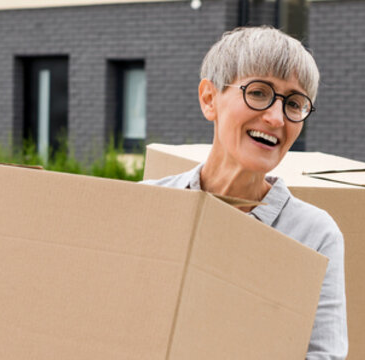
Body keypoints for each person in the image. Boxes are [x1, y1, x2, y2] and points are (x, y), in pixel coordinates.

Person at [141, 27, 347, 360]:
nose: (276, 118)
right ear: (210, 99)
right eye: (259, 92)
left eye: (294, 103)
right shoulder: (148, 205)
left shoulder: (315, 235)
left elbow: (324, 355)